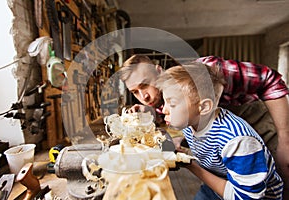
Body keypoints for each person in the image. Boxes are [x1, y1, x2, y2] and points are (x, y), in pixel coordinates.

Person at [119, 54, 289, 198]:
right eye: (135, 92)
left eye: (145, 85)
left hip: (262, 128)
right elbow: (197, 122)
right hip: (224, 158)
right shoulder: (169, 100)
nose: (143, 96)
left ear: (158, 71)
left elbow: (269, 79)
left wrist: (284, 139)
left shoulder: (208, 73)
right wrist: (152, 116)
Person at [156, 64, 283, 199]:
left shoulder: (238, 142)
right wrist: (178, 141)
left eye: (173, 104)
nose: (164, 110)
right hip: (218, 182)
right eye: (165, 102)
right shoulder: (192, 121)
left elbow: (246, 197)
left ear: (204, 107)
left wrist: (190, 165)